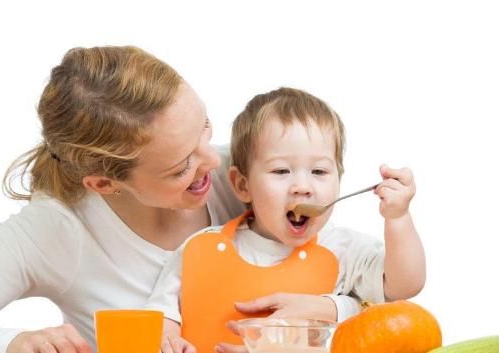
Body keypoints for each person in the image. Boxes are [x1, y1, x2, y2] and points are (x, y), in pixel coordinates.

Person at [0, 46, 249, 353]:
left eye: (205, 126)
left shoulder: (253, 178)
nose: (215, 161)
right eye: (182, 167)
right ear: (104, 184)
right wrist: (11, 344)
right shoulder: (59, 229)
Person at [147, 87, 426, 353]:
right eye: (281, 171)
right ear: (242, 185)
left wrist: (398, 218)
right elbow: (161, 316)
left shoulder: (343, 248)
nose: (302, 186)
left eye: (319, 171)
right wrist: (168, 336)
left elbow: (403, 286)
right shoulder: (200, 248)